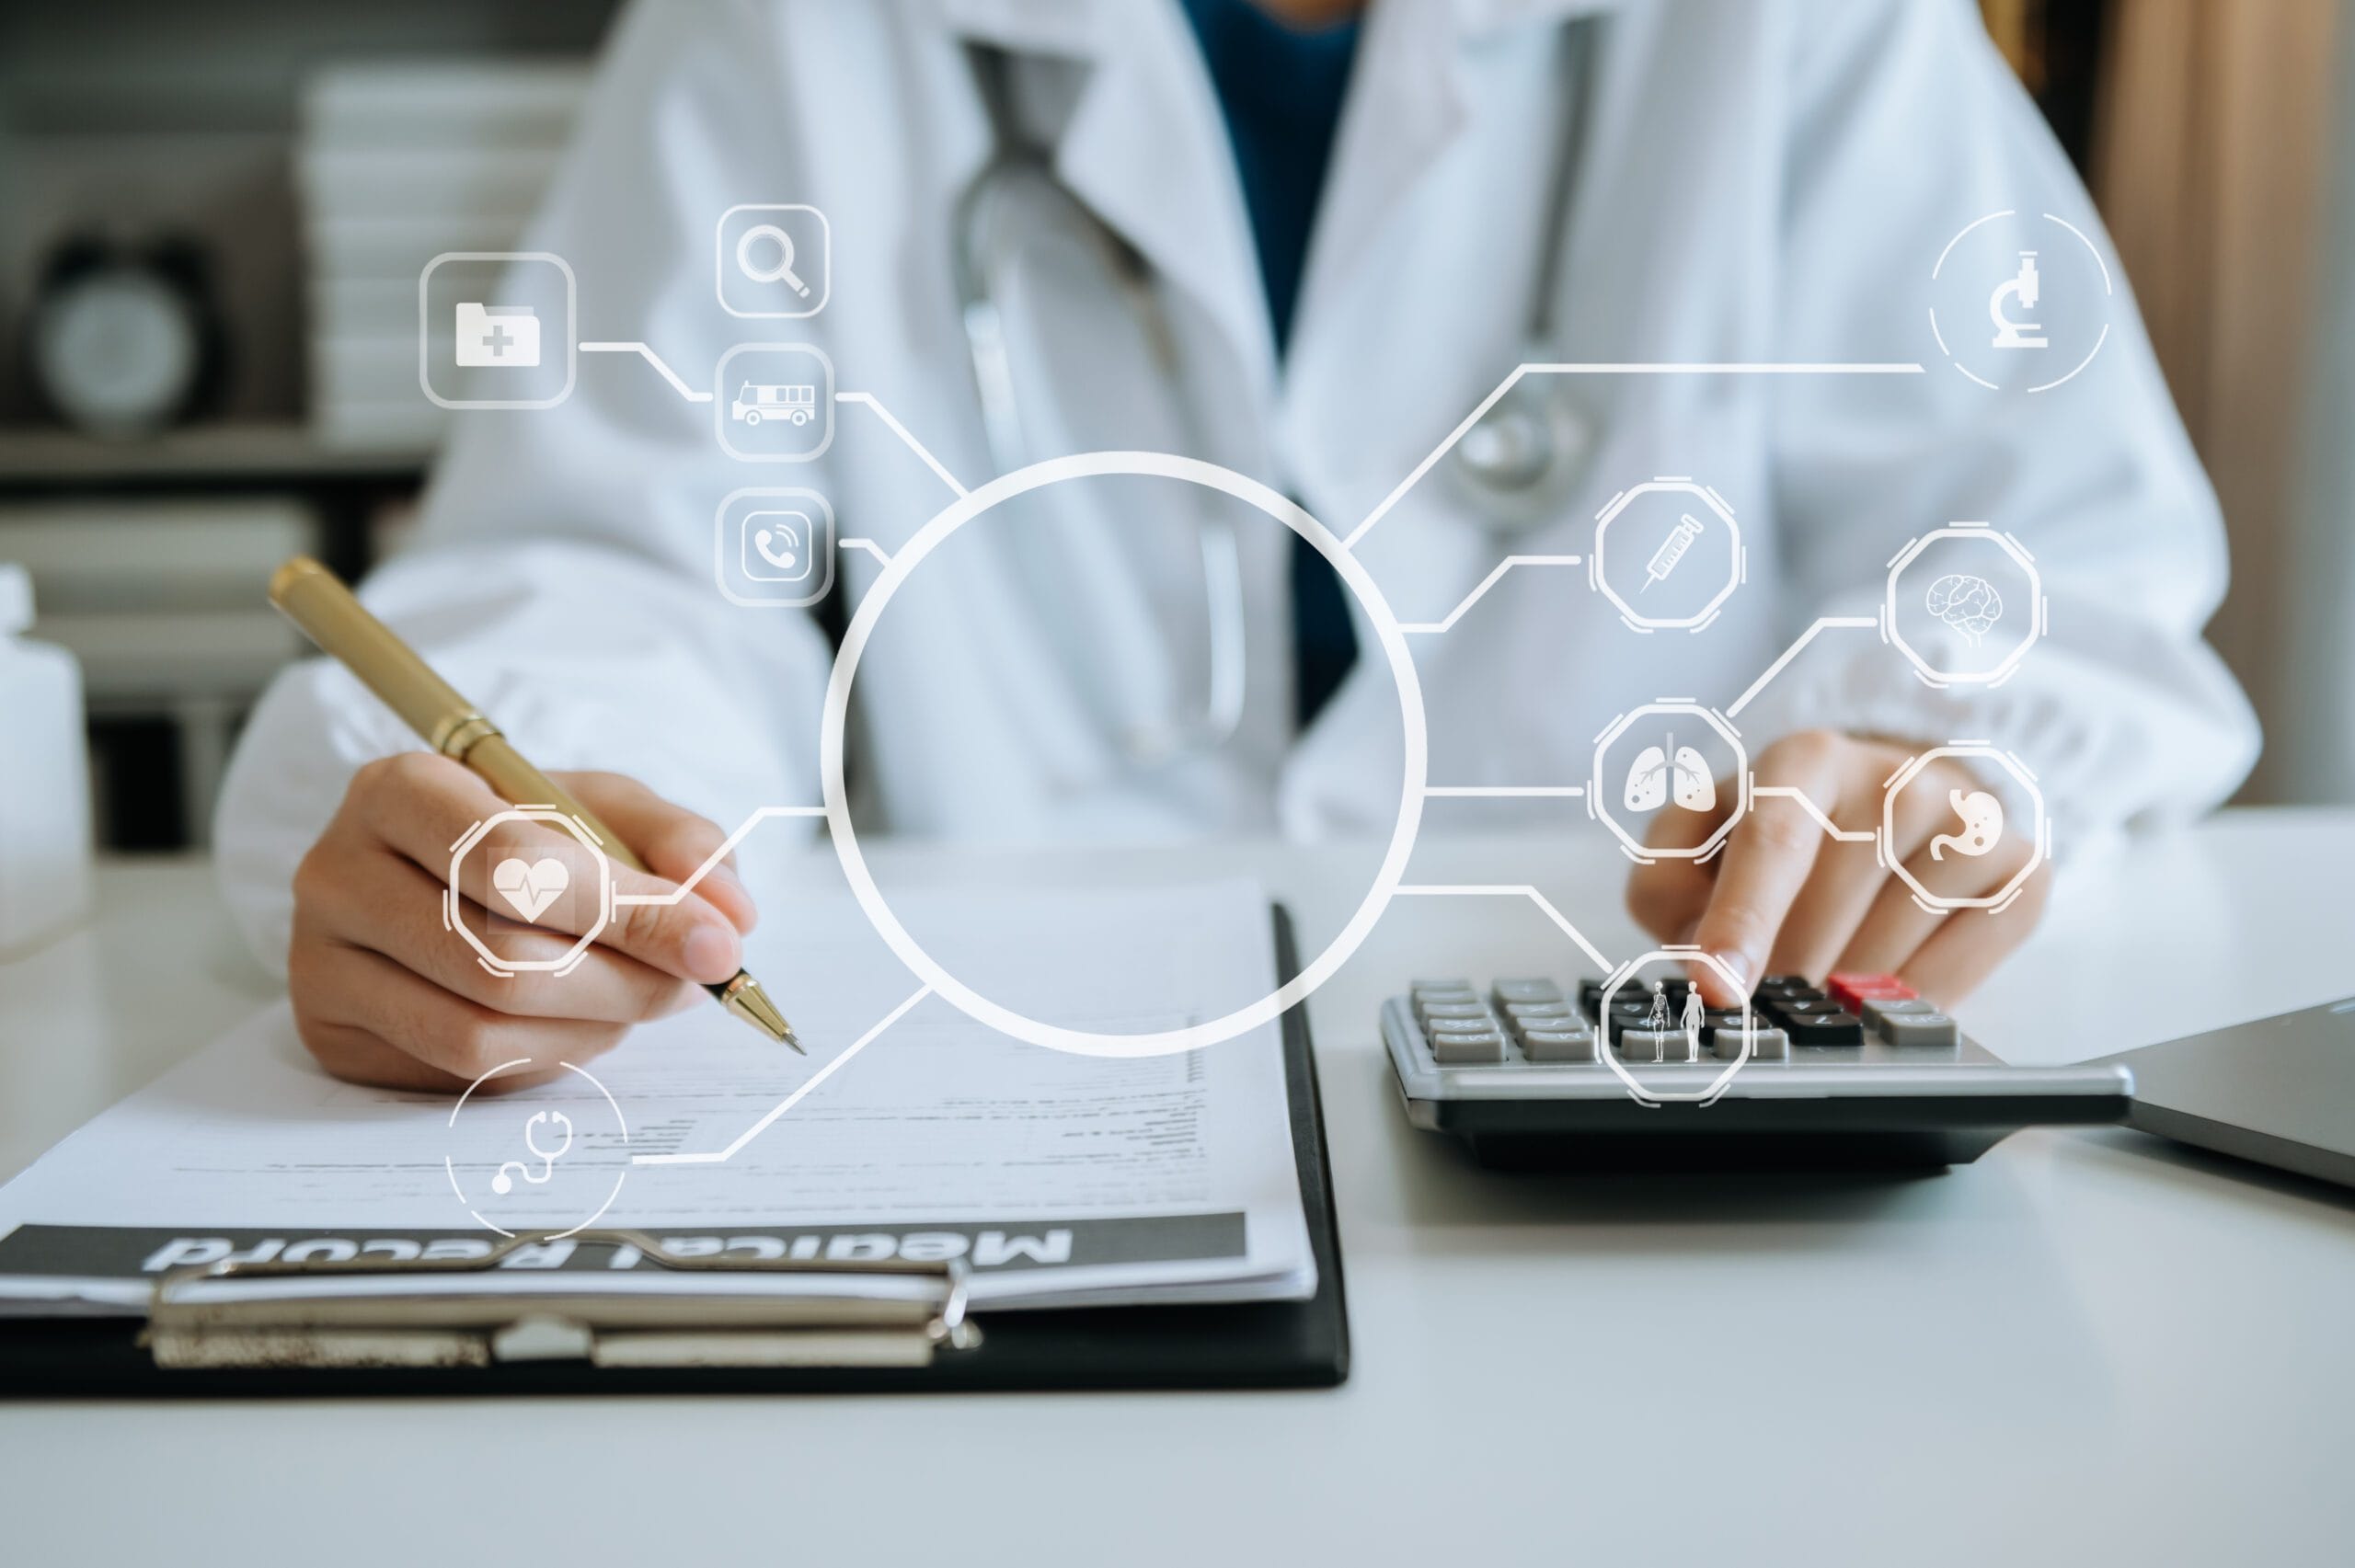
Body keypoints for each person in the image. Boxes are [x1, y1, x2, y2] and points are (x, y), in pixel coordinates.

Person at [215, 0, 2257, 1091]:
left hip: (1631, 1068)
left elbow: (2054, 568)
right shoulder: (787, 31)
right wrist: (541, 820)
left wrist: (1924, 768)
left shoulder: (1798, 28)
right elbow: (611, 558)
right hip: (1011, 1075)